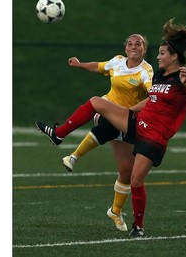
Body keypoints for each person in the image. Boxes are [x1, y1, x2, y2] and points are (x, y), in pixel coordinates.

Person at [35, 18, 186, 237]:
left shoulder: (180, 77)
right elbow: (150, 99)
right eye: (159, 52)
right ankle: (59, 136)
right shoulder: (160, 75)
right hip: (137, 121)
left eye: (162, 53)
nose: (158, 56)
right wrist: (125, 112)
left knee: (134, 179)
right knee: (97, 101)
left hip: (154, 135)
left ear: (173, 56)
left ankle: (138, 227)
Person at [55, 34, 153, 232]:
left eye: (138, 44)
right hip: (106, 112)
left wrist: (129, 112)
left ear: (144, 49)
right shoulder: (117, 62)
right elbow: (99, 66)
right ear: (125, 48)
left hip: (128, 121)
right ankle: (73, 155)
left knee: (126, 172)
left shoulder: (146, 71)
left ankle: (115, 211)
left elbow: (152, 97)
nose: (134, 46)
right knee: (105, 117)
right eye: (130, 44)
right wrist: (80, 64)